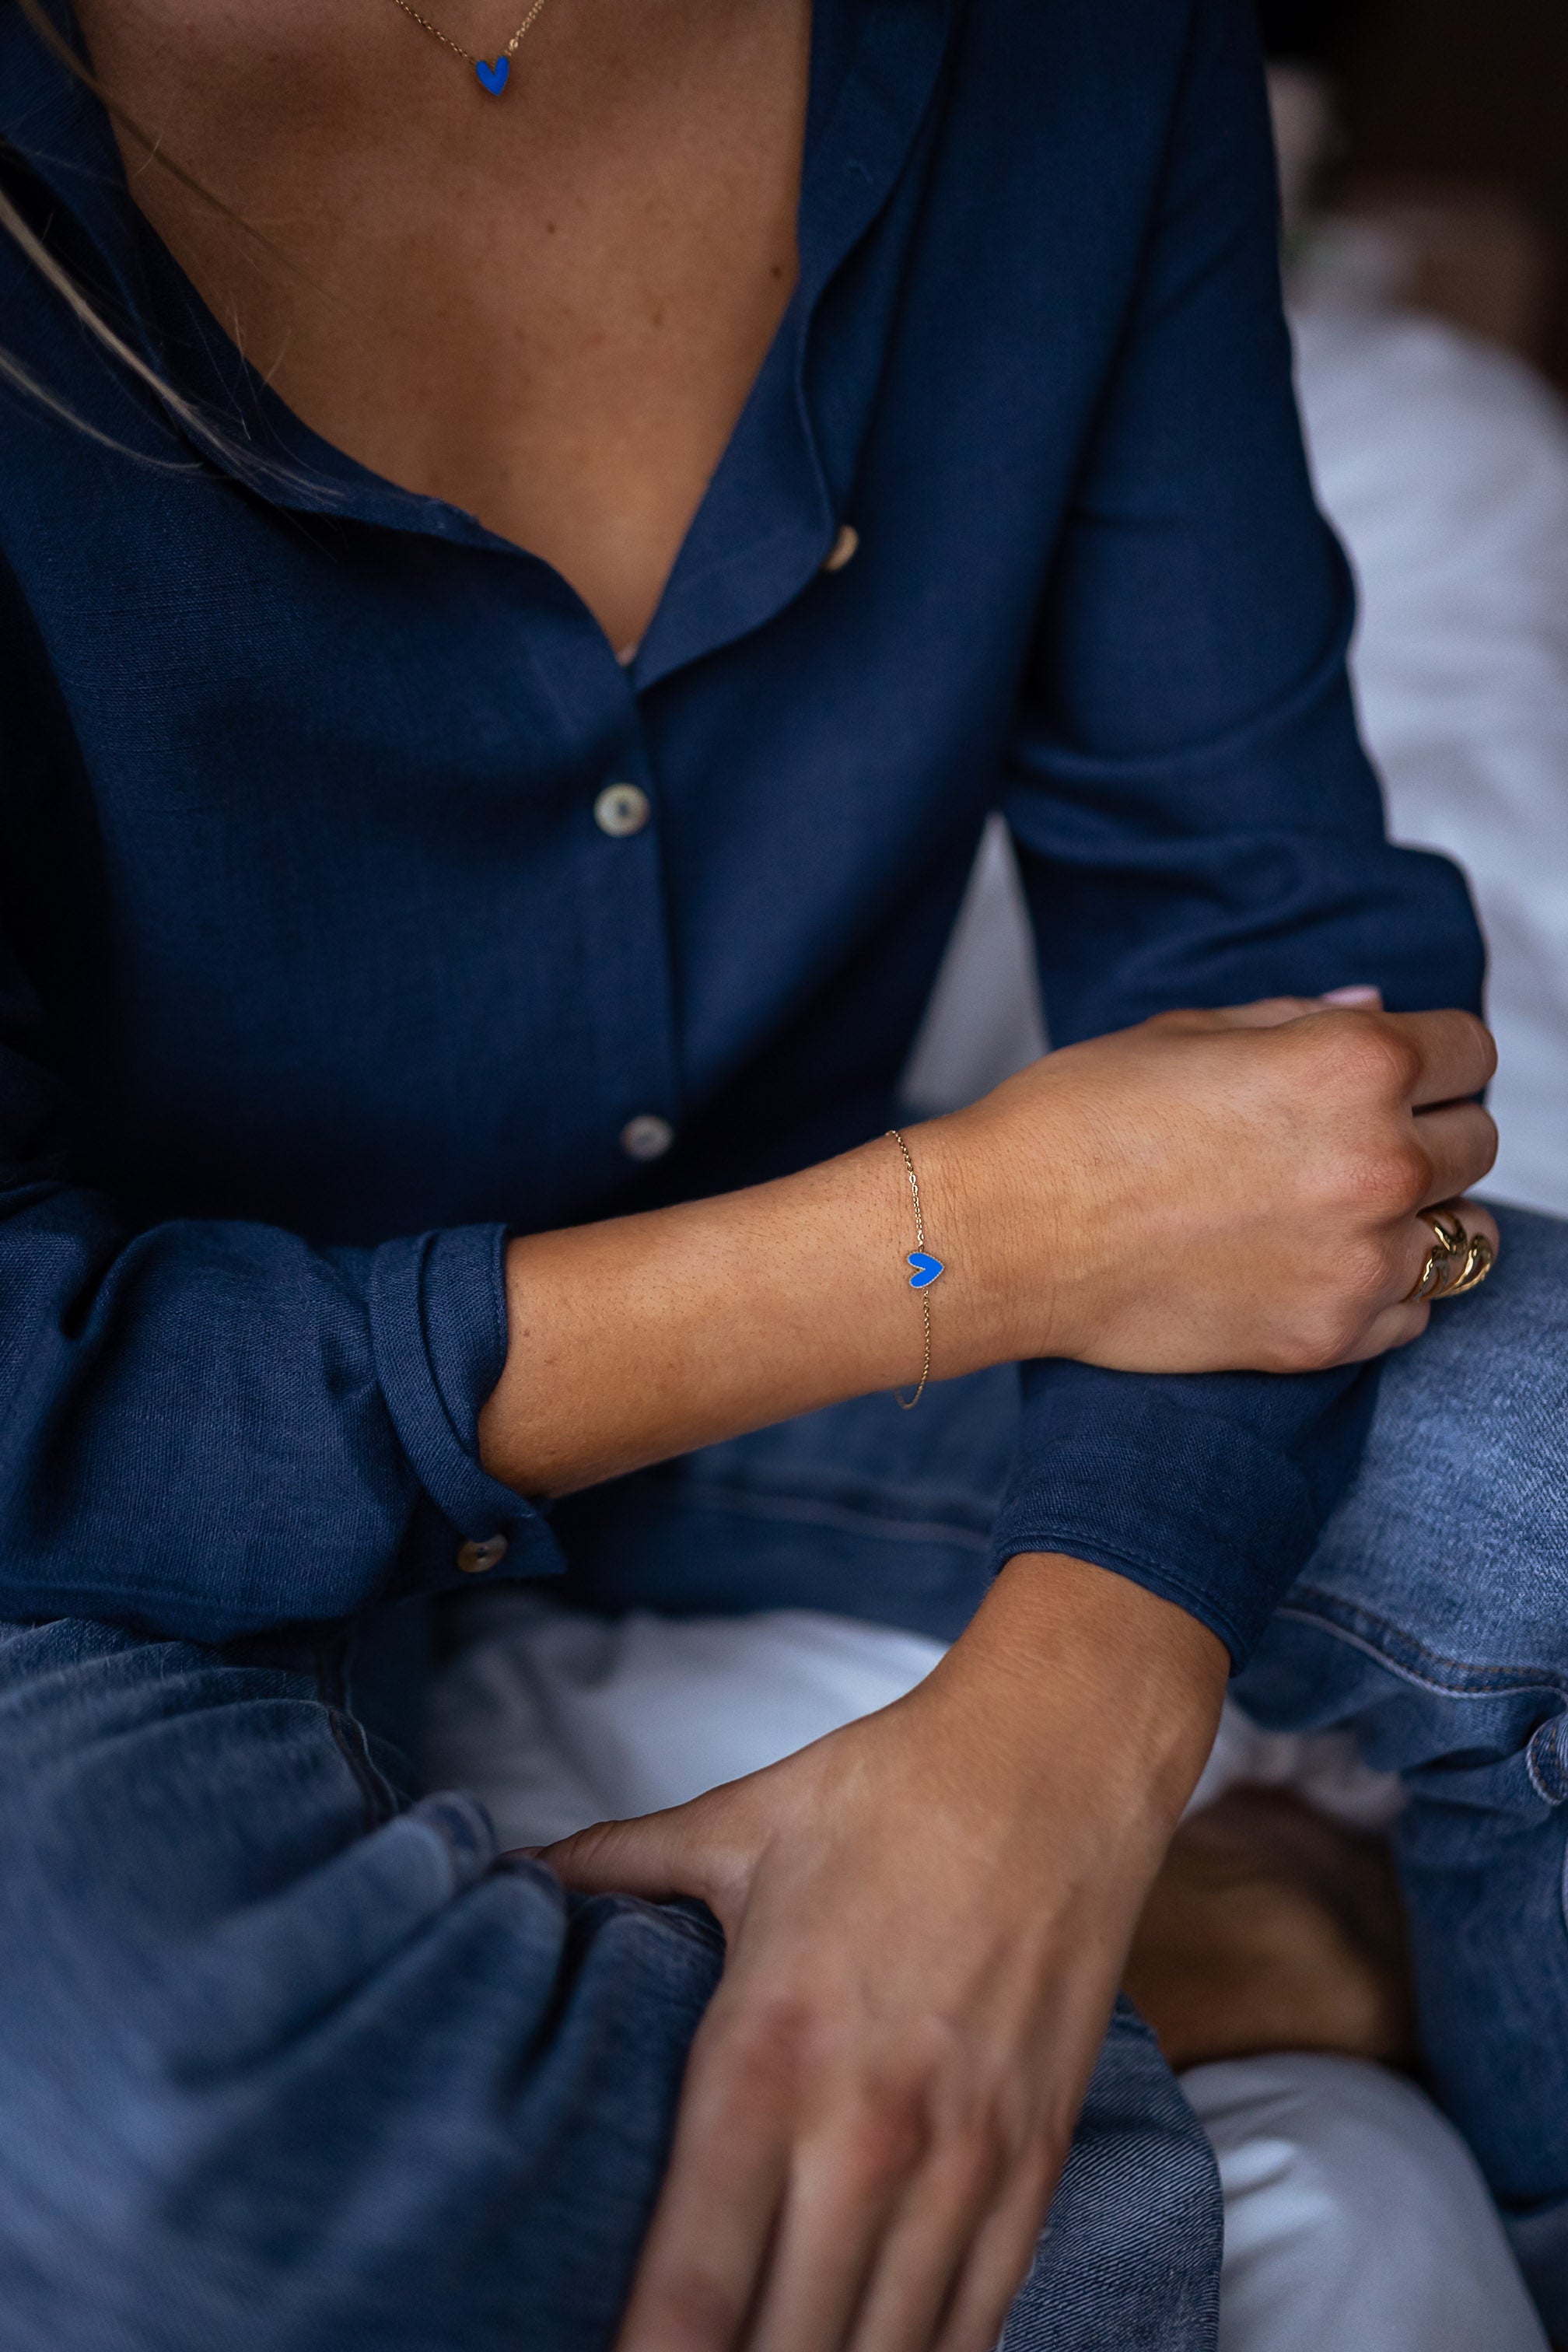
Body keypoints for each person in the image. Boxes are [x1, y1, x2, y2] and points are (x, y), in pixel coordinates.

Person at [0, 2, 1555, 2348]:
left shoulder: (1077, 56)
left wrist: (1065, 1738)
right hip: (90, 1475)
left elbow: (1268, 944)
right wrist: (981, 1238)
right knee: (177, 2178)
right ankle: (1250, 2123)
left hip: (742, 1371)